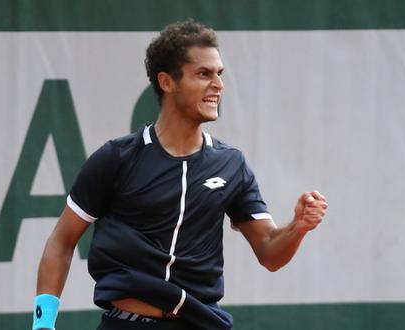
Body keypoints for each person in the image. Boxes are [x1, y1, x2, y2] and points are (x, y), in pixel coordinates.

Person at [32, 19, 327, 330]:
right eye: (203, 74)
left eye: (219, 74)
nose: (218, 84)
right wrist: (43, 325)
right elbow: (61, 241)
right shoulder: (116, 158)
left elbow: (269, 251)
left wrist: (298, 227)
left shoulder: (231, 165)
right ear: (167, 82)